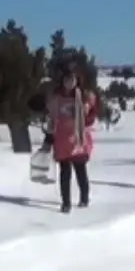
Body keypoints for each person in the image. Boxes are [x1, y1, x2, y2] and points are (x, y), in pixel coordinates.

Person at [46, 66, 99, 213]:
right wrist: (49, 137)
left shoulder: (83, 97)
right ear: (62, 81)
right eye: (67, 80)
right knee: (65, 173)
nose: (69, 83)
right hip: (62, 140)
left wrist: (86, 113)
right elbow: (51, 118)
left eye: (72, 80)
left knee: (81, 171)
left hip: (78, 140)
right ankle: (66, 202)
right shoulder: (56, 98)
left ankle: (84, 198)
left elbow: (91, 115)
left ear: (77, 81)